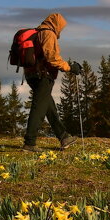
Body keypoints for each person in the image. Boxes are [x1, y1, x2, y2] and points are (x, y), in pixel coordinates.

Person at [23, 12, 79, 151]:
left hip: (31, 74)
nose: (61, 29)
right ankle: (29, 143)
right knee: (38, 108)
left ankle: (64, 137)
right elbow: (52, 58)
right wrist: (70, 67)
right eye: (61, 26)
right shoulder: (48, 34)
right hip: (43, 75)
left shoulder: (38, 32)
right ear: (57, 24)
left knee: (49, 107)